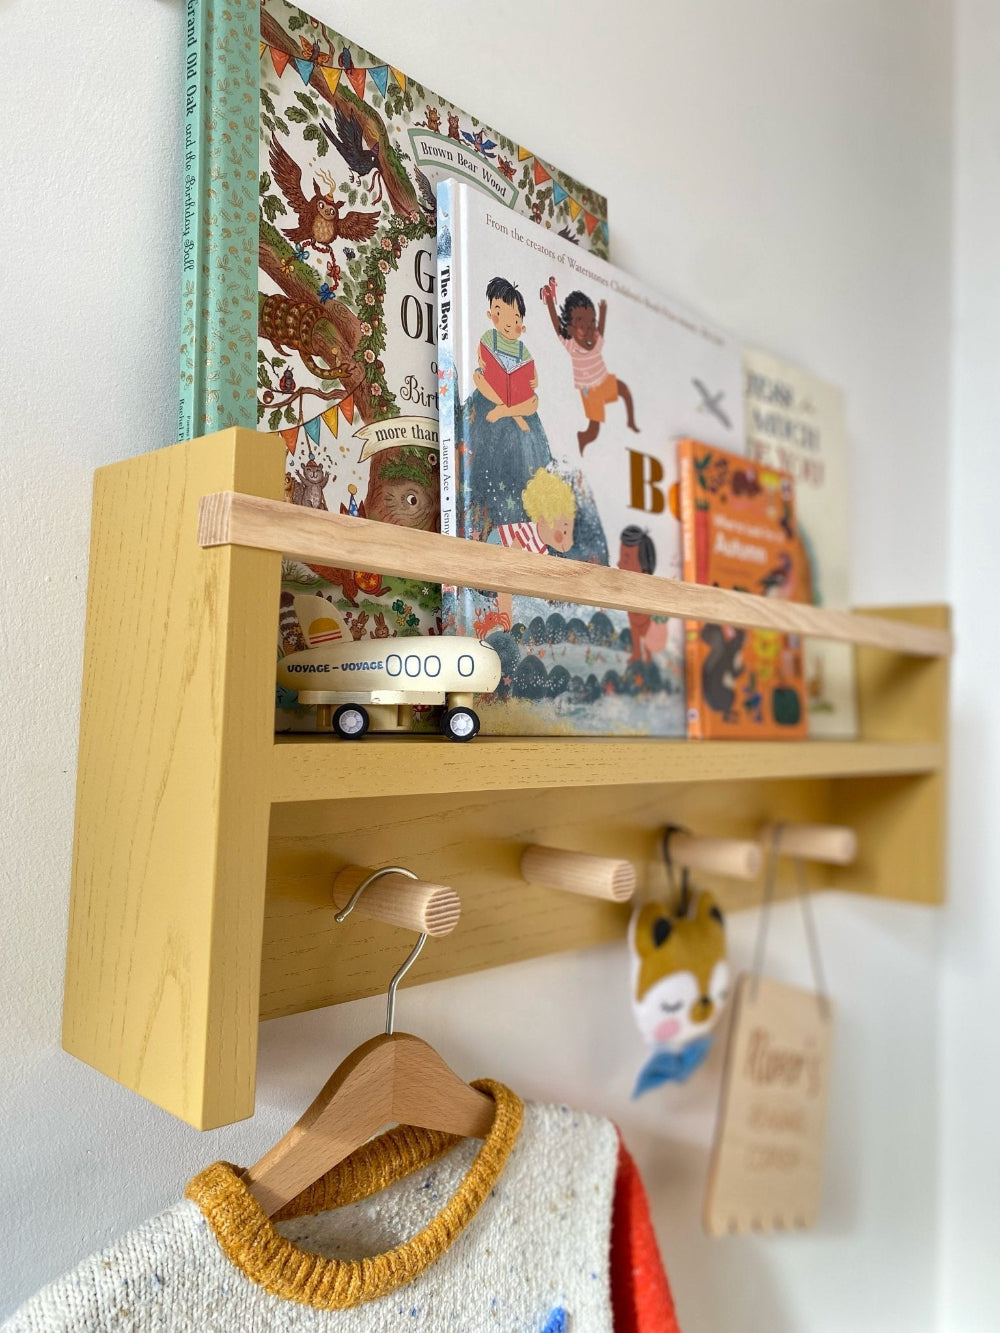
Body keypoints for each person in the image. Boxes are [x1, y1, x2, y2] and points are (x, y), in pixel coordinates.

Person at [541, 279, 639, 453]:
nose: (588, 329)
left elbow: (600, 330)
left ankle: (631, 421)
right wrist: (549, 302)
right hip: (590, 391)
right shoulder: (572, 345)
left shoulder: (596, 341)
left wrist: (602, 313)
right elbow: (557, 327)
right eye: (580, 324)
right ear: (570, 329)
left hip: (604, 380)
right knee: (594, 430)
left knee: (625, 390)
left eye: (591, 323)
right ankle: (582, 439)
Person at [486, 468, 577, 628]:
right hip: (498, 543)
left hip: (513, 559)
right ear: (543, 521)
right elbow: (511, 556)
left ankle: (503, 613)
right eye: (563, 531)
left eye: (569, 532)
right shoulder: (528, 532)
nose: (568, 541)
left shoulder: (543, 551)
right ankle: (505, 621)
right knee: (506, 582)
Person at [474, 276, 539, 433]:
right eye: (500, 313)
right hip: (494, 385)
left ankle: (505, 410)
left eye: (515, 320)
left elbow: (530, 367)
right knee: (477, 377)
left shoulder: (521, 348)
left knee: (534, 402)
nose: (508, 323)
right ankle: (515, 413)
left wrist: (534, 379)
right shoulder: (491, 336)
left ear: (522, 327)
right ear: (491, 314)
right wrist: (480, 358)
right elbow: (481, 350)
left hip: (515, 392)